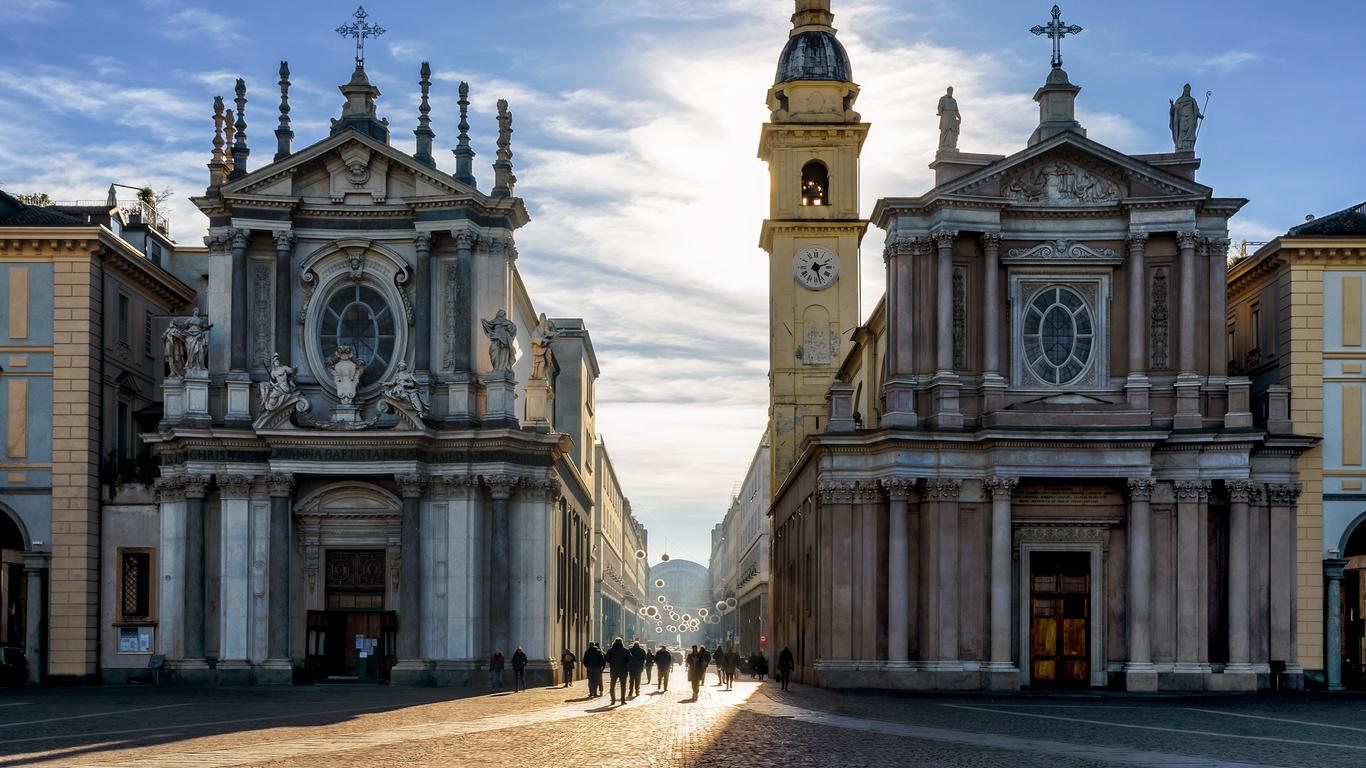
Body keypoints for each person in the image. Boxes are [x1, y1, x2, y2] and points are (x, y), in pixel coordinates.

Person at [605, 637, 631, 705]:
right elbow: (630, 659)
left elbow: (606, 659)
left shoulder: (610, 650)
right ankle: (623, 700)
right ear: (622, 643)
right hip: (623, 670)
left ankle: (613, 700)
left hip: (614, 670)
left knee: (612, 686)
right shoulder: (625, 650)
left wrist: (612, 661)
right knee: (623, 686)